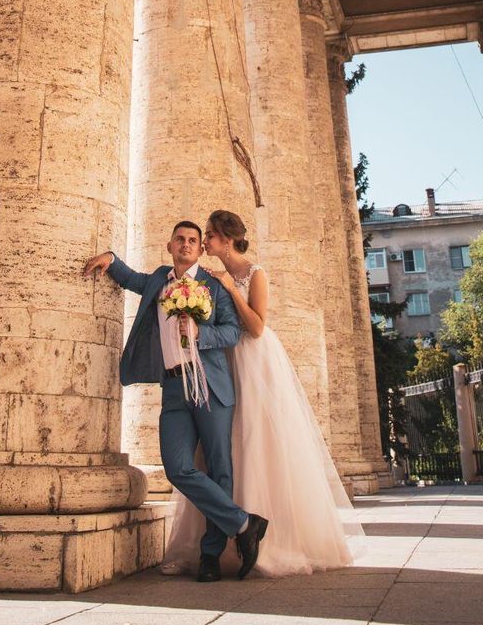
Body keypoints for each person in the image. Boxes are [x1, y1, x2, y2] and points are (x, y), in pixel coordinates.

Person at [160, 209, 362, 577]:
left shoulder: (255, 272)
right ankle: (223, 539)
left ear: (225, 237)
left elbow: (256, 326)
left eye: (208, 235)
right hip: (220, 363)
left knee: (252, 442)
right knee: (217, 449)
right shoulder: (205, 277)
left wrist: (229, 290)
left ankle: (260, 536)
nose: (203, 241)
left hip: (253, 360)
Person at [83, 220, 268, 582]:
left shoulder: (215, 286)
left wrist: (202, 333)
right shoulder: (158, 279)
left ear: (200, 249)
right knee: (178, 467)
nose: (186, 244)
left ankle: (211, 556)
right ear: (170, 246)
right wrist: (111, 260)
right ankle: (244, 524)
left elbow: (233, 331)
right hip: (174, 389)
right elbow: (133, 279)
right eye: (180, 239)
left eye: (193, 240)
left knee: (219, 469)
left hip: (212, 386)